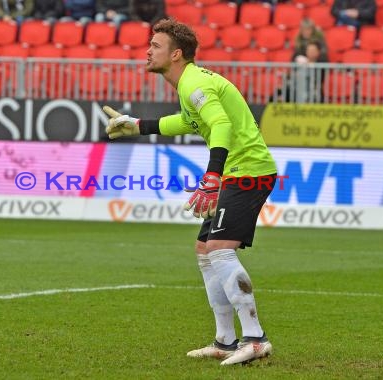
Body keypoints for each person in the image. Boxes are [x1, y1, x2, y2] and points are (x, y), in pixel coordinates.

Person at [103, 18, 277, 366]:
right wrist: (137, 125)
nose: (148, 50)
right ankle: (226, 341)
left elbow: (222, 125)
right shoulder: (189, 84)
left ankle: (255, 339)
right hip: (237, 171)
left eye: (156, 45)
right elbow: (188, 122)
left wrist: (212, 176)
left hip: (248, 171)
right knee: (204, 250)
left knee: (218, 250)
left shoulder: (194, 82)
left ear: (176, 53)